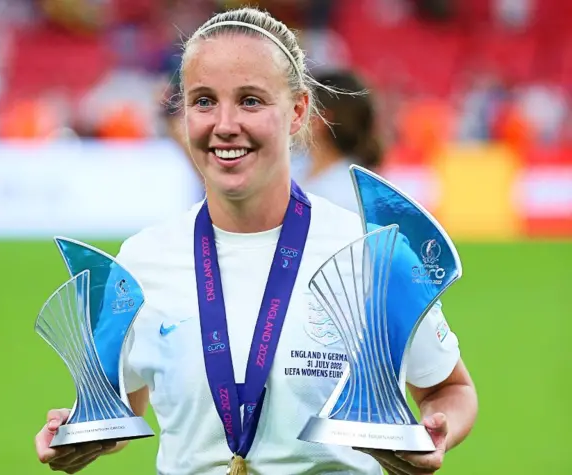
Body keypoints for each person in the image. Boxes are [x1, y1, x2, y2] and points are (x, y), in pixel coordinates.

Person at [35, 7, 478, 475]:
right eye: (204, 101)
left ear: (298, 111)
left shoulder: (372, 253)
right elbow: (120, 408)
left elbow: (449, 389)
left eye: (250, 100)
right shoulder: (142, 262)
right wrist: (78, 434)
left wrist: (435, 429)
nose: (225, 124)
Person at [291, 69, 384, 212]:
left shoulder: (347, 195)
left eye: (301, 108)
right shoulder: (295, 166)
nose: (294, 115)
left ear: (321, 120)